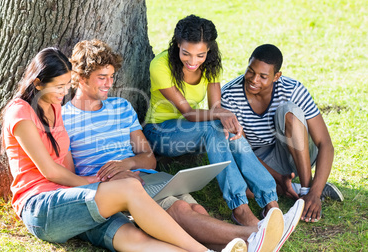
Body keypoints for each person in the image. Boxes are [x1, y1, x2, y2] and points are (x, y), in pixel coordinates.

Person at [62, 39, 304, 251]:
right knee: (180, 211)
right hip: (115, 188)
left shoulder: (121, 107)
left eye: (111, 76)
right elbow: (68, 176)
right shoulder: (64, 119)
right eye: (102, 78)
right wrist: (112, 177)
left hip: (149, 176)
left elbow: (149, 158)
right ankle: (256, 233)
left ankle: (243, 245)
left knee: (196, 213)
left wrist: (128, 163)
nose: (109, 84)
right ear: (80, 78)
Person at [1, 47, 249, 252]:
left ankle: (222, 248)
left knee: (138, 237)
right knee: (159, 200)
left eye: (65, 86)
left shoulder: (55, 108)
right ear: (39, 82)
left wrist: (114, 176)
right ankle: (234, 241)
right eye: (59, 87)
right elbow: (51, 172)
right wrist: (99, 182)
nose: (63, 93)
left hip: (81, 198)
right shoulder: (23, 112)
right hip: (45, 203)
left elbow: (67, 164)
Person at [142, 14, 283, 227]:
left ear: (208, 50)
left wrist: (225, 116)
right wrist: (224, 115)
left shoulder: (211, 64)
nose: (193, 62)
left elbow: (215, 107)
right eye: (186, 53)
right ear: (177, 44)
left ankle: (270, 202)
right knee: (216, 126)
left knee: (222, 127)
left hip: (194, 130)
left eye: (200, 55)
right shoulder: (160, 65)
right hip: (160, 132)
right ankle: (240, 208)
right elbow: (189, 112)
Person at [221, 44, 343, 223]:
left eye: (263, 76)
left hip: (297, 152)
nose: (254, 80)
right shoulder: (230, 95)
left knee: (289, 112)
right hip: (259, 159)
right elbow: (242, 152)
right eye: (250, 71)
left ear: (276, 76)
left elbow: (325, 143)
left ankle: (307, 191)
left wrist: (314, 194)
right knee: (241, 188)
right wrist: (278, 177)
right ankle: (291, 187)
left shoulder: (293, 89)